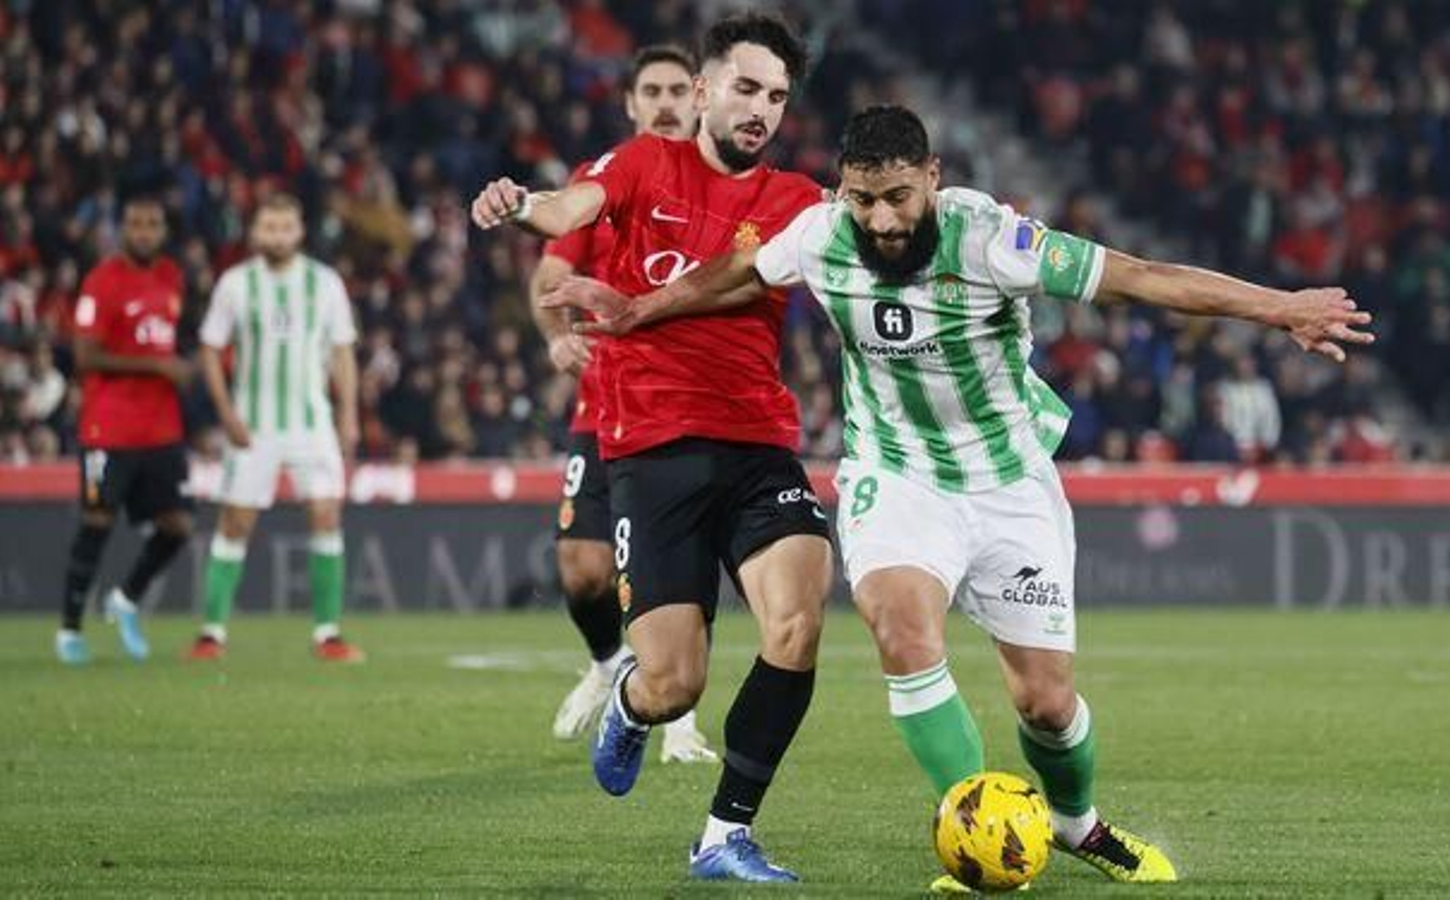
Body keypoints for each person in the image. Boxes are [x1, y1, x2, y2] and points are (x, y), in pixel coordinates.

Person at [543, 105, 1376, 890]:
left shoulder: (992, 238)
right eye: (864, 200)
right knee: (903, 632)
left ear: (932, 178)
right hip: (896, 477)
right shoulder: (823, 235)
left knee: (1046, 704)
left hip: (1010, 483)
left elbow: (1139, 277)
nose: (882, 221)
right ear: (843, 191)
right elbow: (735, 272)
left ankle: (1076, 824)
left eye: (899, 197)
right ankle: (979, 828)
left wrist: (1280, 309)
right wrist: (635, 311)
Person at [472, 12, 832, 883]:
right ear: (703, 92)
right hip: (652, 449)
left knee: (797, 621)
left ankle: (724, 836)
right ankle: (632, 707)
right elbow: (568, 208)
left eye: (777, 97)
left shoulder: (796, 201)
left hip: (758, 444)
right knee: (677, 682)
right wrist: (520, 204)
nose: (761, 110)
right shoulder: (642, 164)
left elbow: (829, 268)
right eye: (746, 88)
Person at [530, 44, 714, 765]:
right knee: (582, 568)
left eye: (677, 89)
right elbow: (551, 268)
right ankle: (610, 665)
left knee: (683, 564)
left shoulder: (721, 181)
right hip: (604, 401)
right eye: (652, 91)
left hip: (692, 405)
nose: (665, 102)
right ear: (631, 105)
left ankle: (682, 723)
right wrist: (555, 336)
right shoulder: (599, 181)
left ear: (699, 98)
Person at [188, 193, 364, 663]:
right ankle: (212, 634)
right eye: (269, 227)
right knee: (235, 521)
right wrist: (226, 413)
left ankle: (327, 634)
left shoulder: (324, 284)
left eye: (286, 227)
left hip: (312, 423)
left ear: (300, 231)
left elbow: (343, 351)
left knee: (326, 515)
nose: (277, 235)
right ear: (254, 231)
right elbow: (209, 348)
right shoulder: (235, 284)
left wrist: (348, 414)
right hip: (254, 424)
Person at [55, 194, 194, 664]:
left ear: (163, 230)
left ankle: (126, 599)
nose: (144, 232)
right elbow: (86, 356)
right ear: (122, 229)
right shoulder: (102, 282)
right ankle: (70, 631)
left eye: (153, 224)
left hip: (160, 430)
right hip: (107, 428)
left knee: (178, 527)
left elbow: (169, 341)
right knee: (97, 522)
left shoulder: (172, 278)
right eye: (135, 224)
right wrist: (158, 367)